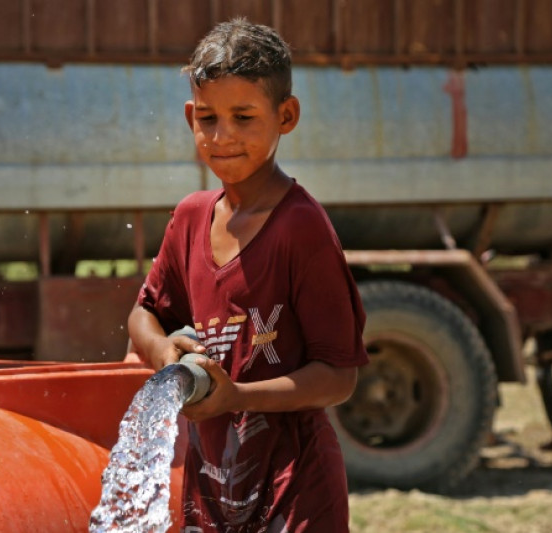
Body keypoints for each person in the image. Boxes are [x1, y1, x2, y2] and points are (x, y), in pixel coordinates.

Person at [127, 19, 369, 532]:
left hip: (295, 490)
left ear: (287, 116)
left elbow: (338, 376)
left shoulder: (300, 227)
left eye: (243, 117)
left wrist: (238, 396)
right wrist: (162, 351)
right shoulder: (190, 218)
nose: (223, 136)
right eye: (208, 118)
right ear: (190, 117)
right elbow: (144, 314)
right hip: (213, 486)